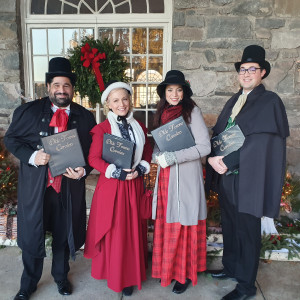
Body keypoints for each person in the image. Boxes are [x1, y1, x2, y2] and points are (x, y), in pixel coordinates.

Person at [4, 57, 97, 300]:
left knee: (63, 234)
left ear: (72, 89)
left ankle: (60, 277)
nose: (61, 90)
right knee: (33, 233)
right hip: (37, 187)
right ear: (48, 87)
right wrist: (34, 156)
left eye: (66, 85)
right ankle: (28, 284)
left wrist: (83, 170)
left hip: (67, 187)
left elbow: (92, 153)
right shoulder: (29, 112)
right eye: (57, 85)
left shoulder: (84, 117)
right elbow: (12, 140)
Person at [205, 45, 289, 300]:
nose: (246, 73)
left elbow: (260, 143)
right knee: (230, 225)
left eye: (252, 69)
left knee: (247, 232)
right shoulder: (234, 100)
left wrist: (227, 161)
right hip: (227, 179)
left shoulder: (270, 101)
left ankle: (246, 287)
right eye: (243, 69)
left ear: (262, 72)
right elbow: (219, 134)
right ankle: (231, 267)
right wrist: (212, 158)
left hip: (248, 179)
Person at [84, 81, 152, 296]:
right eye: (116, 100)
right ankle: (115, 274)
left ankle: (130, 275)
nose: (121, 104)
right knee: (117, 232)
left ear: (130, 100)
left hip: (134, 185)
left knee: (133, 232)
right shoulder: (102, 129)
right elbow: (93, 158)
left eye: (125, 99)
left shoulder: (139, 126)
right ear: (108, 105)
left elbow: (147, 150)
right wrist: (115, 171)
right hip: (113, 188)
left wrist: (141, 168)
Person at [151, 70, 211, 294]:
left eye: (178, 90)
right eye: (170, 90)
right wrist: (157, 155)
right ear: (164, 93)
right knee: (168, 225)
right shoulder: (162, 112)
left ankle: (184, 274)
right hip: (166, 177)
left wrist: (175, 157)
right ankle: (168, 270)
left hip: (185, 177)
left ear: (184, 92)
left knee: (183, 225)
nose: (174, 94)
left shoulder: (192, 112)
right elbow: (160, 144)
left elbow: (205, 147)